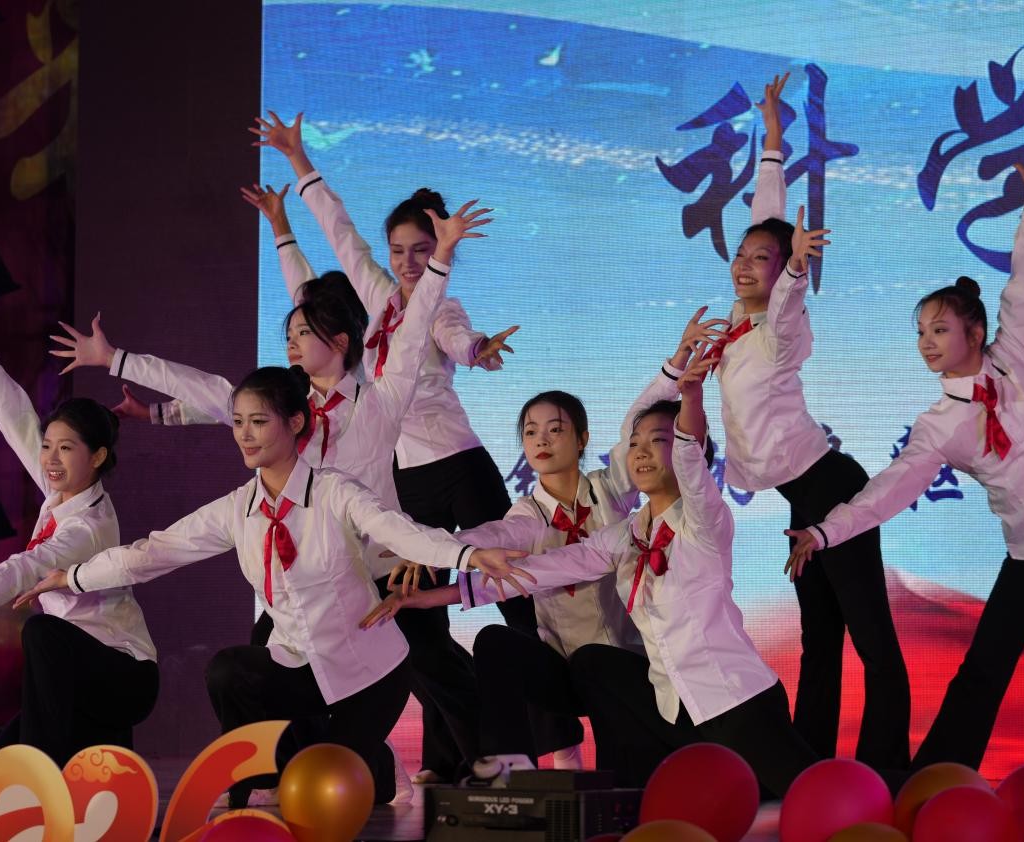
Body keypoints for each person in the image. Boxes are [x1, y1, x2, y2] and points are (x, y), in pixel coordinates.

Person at [12, 365, 531, 805]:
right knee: (229, 671)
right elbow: (153, 552)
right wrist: (72, 576)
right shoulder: (238, 508)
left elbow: (401, 531)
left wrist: (467, 554)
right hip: (299, 665)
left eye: (258, 421)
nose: (244, 433)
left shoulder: (335, 492)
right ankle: (252, 786)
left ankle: (373, 763)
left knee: (330, 793)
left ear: (295, 423)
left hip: (368, 672)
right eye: (238, 422)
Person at [787, 147, 1024, 771]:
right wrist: (824, 531)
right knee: (986, 666)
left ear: (974, 332)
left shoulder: (1012, 356)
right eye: (920, 333)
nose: (926, 343)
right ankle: (939, 779)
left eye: (939, 330)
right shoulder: (939, 426)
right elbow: (885, 492)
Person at [364, 337, 820, 795]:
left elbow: (672, 451)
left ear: (582, 439)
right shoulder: (603, 531)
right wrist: (435, 563)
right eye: (530, 432)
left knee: (793, 791)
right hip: (617, 685)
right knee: (517, 646)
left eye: (556, 429)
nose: (542, 440)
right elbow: (528, 560)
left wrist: (685, 390)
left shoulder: (668, 509)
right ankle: (510, 775)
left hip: (687, 685)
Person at [249, 110, 528, 780]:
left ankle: (536, 730)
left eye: (420, 250)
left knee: (514, 594)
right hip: (407, 481)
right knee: (416, 621)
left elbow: (455, 336)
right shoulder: (372, 297)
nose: (406, 262)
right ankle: (450, 755)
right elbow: (337, 237)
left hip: (458, 464)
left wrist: (476, 350)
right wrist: (297, 164)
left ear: (439, 250)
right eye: (398, 250)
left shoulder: (440, 305)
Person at [707, 72, 910, 768]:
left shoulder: (779, 331)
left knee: (871, 639)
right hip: (803, 498)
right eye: (740, 256)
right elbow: (768, 218)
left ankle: (885, 769)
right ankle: (808, 768)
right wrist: (771, 136)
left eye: (759, 262)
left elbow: (788, 291)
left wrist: (792, 266)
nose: (744, 266)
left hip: (833, 489)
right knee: (818, 639)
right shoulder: (738, 319)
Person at [0, 295, 158, 767]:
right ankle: (74, 761)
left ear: (97, 456)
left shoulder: (88, 526)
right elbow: (16, 420)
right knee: (1, 768)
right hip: (76, 677)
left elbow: (26, 566)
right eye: (47, 446)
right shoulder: (60, 490)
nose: (50, 458)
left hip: (123, 675)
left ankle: (49, 775)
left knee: (42, 632)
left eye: (66, 448)